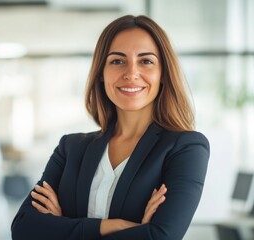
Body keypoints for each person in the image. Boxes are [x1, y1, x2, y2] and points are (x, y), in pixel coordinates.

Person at [11, 14, 209, 240]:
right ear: (101, 74)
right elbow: (24, 228)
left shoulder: (185, 147)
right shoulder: (71, 148)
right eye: (117, 61)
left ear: (162, 74)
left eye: (146, 61)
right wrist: (118, 227)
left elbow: (162, 236)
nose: (131, 73)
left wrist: (64, 227)